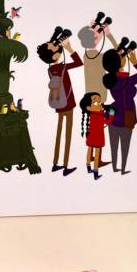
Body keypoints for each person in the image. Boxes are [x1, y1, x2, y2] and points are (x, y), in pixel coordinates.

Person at [36, 33, 83, 176]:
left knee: (58, 133)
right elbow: (79, 63)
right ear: (55, 56)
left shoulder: (50, 70)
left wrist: (52, 42)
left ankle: (55, 163)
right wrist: (70, 49)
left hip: (58, 103)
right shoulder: (62, 67)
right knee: (67, 135)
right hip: (68, 103)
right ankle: (66, 166)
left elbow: (49, 50)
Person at [102, 42, 137, 175]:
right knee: (125, 144)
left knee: (114, 144)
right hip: (127, 115)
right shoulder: (127, 80)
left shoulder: (110, 80)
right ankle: (122, 169)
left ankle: (115, 167)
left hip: (114, 113)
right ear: (119, 64)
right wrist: (135, 62)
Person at [76, 19, 117, 103]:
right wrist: (109, 34)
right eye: (98, 32)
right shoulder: (98, 57)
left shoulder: (86, 55)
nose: (101, 33)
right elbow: (117, 51)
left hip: (91, 92)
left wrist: (92, 28)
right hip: (99, 93)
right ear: (94, 39)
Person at [79, 92, 114, 180]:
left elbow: (95, 108)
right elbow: (107, 122)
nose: (98, 102)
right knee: (97, 154)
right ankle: (95, 173)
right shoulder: (99, 111)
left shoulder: (90, 110)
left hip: (91, 135)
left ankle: (88, 168)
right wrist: (111, 114)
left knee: (90, 149)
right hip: (98, 136)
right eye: (95, 100)